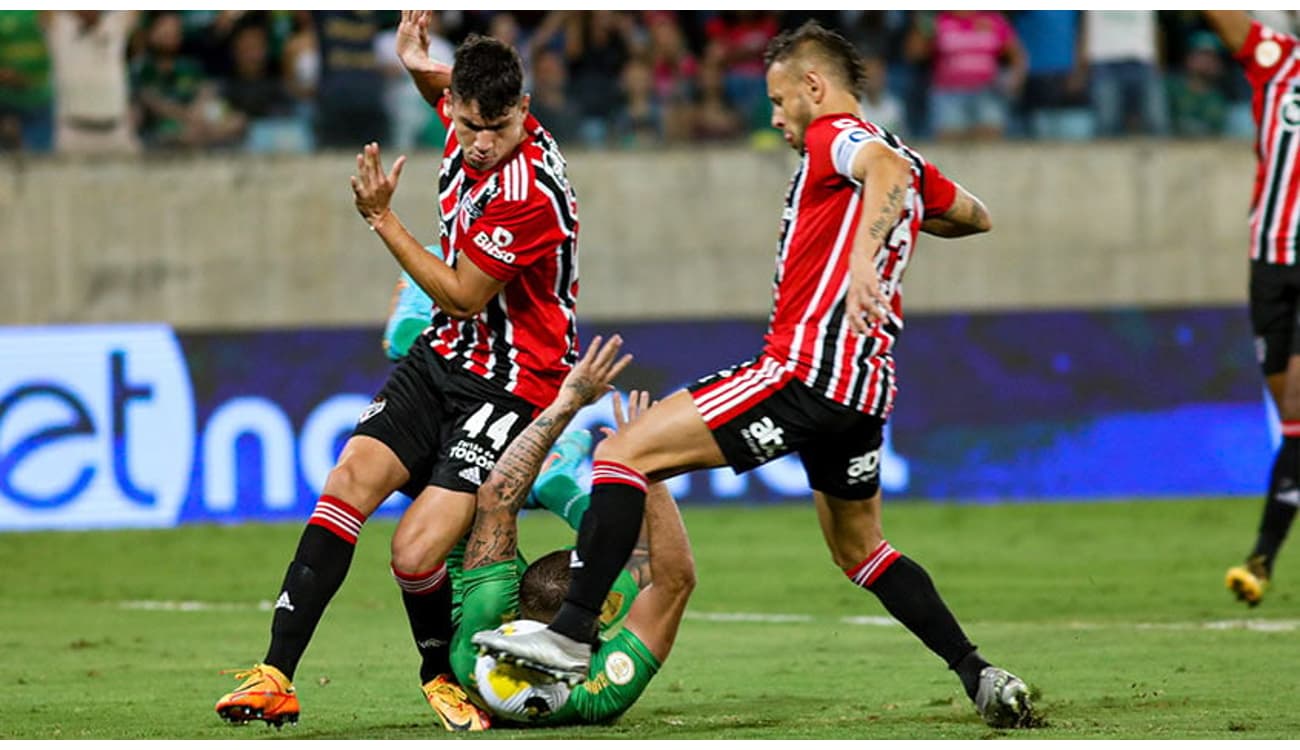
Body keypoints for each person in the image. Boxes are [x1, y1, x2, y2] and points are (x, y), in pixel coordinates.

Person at [475, 21, 1038, 730]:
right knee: (860, 550)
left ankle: (571, 633)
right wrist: (898, 218)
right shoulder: (904, 161)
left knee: (622, 454)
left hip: (804, 369)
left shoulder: (840, 137)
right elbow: (975, 215)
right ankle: (978, 672)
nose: (774, 118)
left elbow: (887, 179)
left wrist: (865, 257)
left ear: (813, 87)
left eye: (778, 100)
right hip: (864, 390)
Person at [216, 11, 582, 730]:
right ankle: (276, 674)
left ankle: (439, 674)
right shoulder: (468, 116)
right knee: (347, 481)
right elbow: (442, 87)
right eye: (470, 125)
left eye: (498, 129)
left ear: (525, 113)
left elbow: (462, 294)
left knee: (414, 552)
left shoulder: (528, 193)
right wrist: (416, 59)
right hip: (444, 356)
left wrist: (384, 219)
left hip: (512, 383)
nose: (481, 145)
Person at [449, 385, 694, 729]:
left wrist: (561, 406)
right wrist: (647, 465)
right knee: (644, 553)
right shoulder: (598, 696)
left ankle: (550, 482)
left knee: (461, 508)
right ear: (595, 613)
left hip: (466, 553)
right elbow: (675, 578)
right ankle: (557, 486)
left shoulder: (478, 638)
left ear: (517, 596)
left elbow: (494, 501)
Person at [1203, 11, 1300, 607]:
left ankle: (1260, 558)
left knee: (1296, 417)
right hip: (1269, 265)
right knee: (1293, 424)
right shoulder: (1276, 59)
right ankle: (1262, 560)